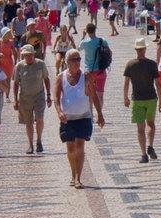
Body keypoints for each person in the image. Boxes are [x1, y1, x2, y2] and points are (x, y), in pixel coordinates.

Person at [54, 48, 105, 188]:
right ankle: (72, 173)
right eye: (73, 60)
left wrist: (99, 114)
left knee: (80, 146)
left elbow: (94, 95)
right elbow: (56, 97)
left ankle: (78, 177)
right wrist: (59, 112)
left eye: (78, 59)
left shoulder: (86, 75)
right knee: (70, 148)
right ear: (67, 62)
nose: (77, 62)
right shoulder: (61, 77)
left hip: (84, 116)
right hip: (67, 118)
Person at [122, 38, 161, 163]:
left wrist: (125, 97)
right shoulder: (152, 64)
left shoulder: (130, 64)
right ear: (145, 49)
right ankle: (150, 145)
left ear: (135, 49)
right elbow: (158, 84)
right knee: (151, 124)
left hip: (137, 99)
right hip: (151, 98)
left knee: (140, 128)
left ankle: (143, 154)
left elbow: (126, 83)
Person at [13, 44, 51, 155]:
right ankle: (30, 144)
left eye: (30, 55)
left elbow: (46, 79)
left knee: (39, 118)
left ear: (34, 54)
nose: (29, 57)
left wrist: (48, 95)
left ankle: (39, 140)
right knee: (28, 122)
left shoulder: (40, 64)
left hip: (39, 96)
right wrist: (15, 100)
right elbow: (16, 83)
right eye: (26, 55)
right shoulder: (19, 66)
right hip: (25, 98)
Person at [78, 23, 110, 110]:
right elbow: (110, 53)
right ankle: (100, 113)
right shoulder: (102, 41)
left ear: (87, 31)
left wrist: (83, 35)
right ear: (95, 30)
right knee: (100, 95)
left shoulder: (85, 42)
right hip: (100, 70)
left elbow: (78, 48)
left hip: (89, 72)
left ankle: (91, 114)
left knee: (89, 94)